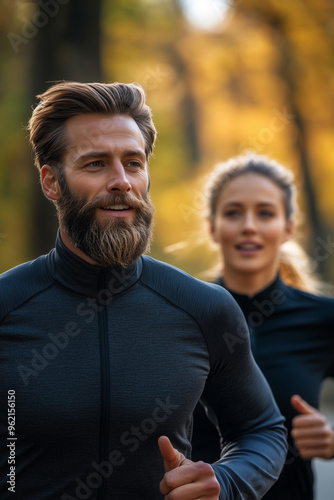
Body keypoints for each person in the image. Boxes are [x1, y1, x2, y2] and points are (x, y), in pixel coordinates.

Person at [0, 82, 287, 500]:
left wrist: (225, 483)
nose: (121, 182)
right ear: (51, 182)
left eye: (133, 163)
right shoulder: (8, 306)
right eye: (96, 164)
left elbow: (262, 429)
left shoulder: (204, 308)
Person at [191, 153, 334, 500]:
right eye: (233, 212)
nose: (249, 226)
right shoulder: (182, 316)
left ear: (288, 227)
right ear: (213, 227)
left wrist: (331, 441)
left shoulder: (324, 320)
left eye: (265, 213)